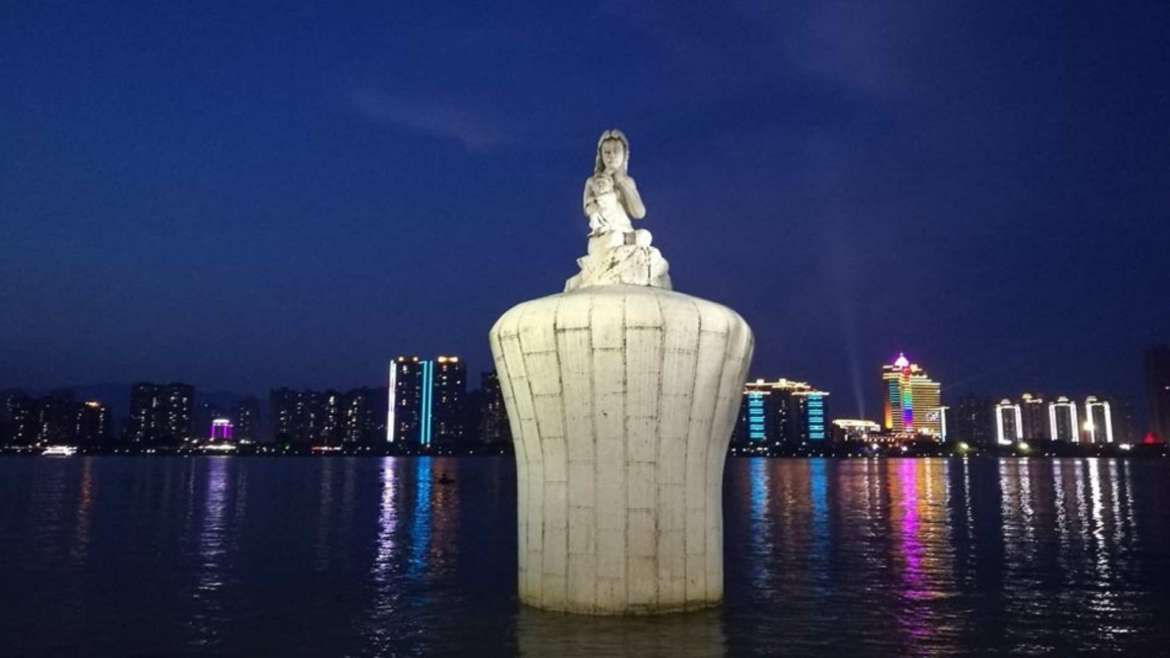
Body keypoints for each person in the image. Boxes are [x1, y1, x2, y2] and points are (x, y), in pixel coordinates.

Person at [583, 129, 645, 236]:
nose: (611, 155)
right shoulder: (592, 182)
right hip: (604, 231)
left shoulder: (627, 181)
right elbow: (587, 209)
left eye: (616, 151)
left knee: (644, 235)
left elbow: (639, 213)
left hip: (624, 228)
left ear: (624, 154)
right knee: (613, 238)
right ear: (601, 155)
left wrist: (621, 181)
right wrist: (602, 200)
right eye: (607, 152)